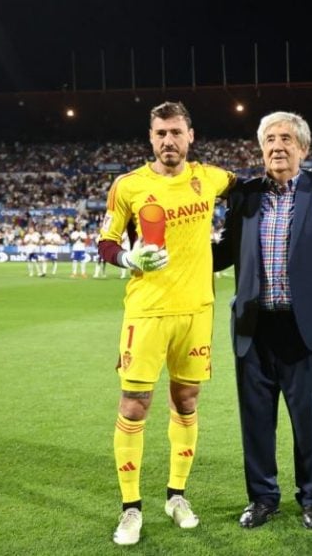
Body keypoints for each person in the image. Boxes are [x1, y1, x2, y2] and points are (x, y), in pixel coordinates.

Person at [97, 101, 237, 546]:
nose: (168, 141)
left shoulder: (210, 178)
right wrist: (125, 256)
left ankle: (176, 496)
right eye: (160, 133)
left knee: (187, 400)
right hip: (147, 311)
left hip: (197, 310)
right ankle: (130, 509)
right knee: (134, 404)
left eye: (176, 132)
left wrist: (310, 181)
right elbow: (105, 241)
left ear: (190, 135)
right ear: (150, 137)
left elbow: (252, 188)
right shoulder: (128, 186)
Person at [212, 111, 312, 531]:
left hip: (307, 328)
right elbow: (223, 253)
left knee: (310, 421)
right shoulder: (245, 196)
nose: (277, 146)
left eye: (286, 139)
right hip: (254, 330)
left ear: (303, 148)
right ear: (261, 148)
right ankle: (262, 499)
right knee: (256, 422)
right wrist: (178, 249)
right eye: (270, 139)